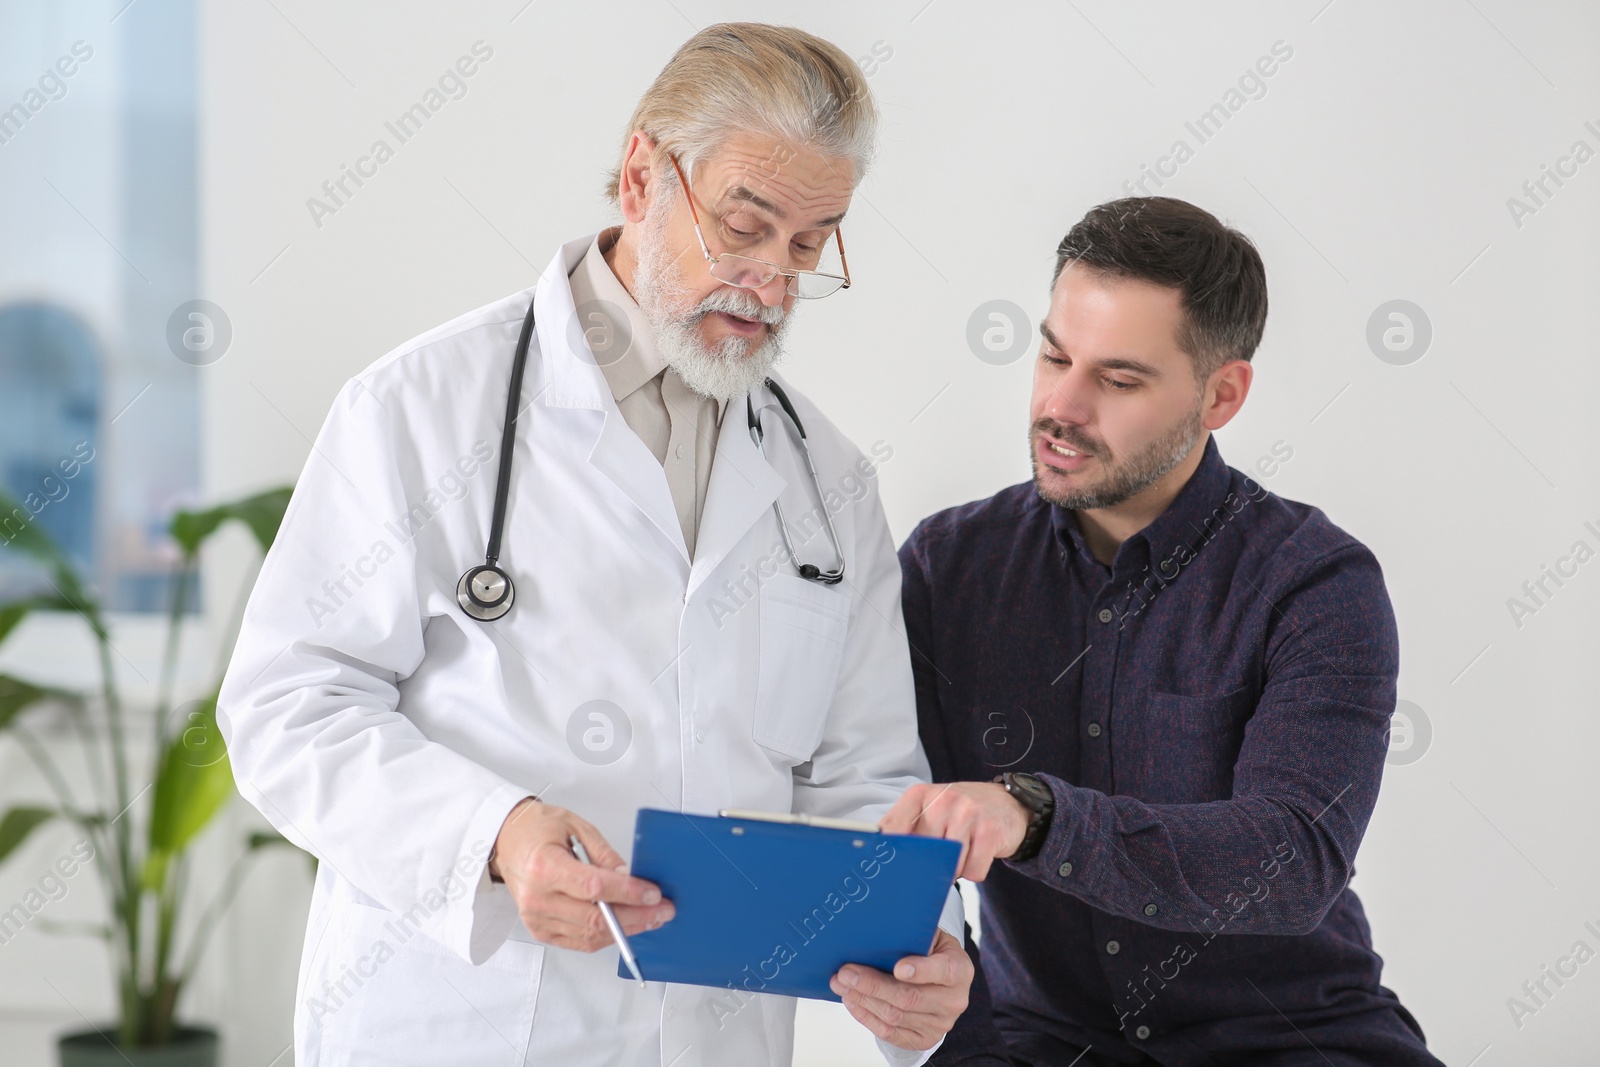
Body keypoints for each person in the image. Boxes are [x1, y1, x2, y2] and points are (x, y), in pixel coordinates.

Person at [218, 23, 970, 1067]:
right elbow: (286, 705)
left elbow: (861, 772)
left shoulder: (825, 478)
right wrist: (496, 832)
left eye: (808, 245)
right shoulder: (422, 409)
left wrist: (920, 945)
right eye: (744, 227)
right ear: (640, 175)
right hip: (463, 1025)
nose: (770, 282)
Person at [882, 198, 1444, 1066]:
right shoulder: (949, 568)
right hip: (1039, 1044)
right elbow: (876, 807)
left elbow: (1289, 859)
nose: (1059, 406)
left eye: (1118, 379)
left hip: (1292, 1039)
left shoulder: (1316, 582)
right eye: (1054, 355)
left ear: (1222, 394)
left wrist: (1036, 820)